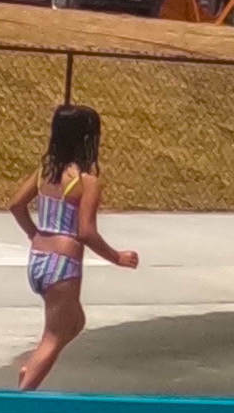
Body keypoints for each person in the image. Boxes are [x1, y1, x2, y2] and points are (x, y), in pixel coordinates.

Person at [7, 104, 139, 389]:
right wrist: (118, 257)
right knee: (55, 335)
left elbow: (16, 206)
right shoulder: (86, 182)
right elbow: (86, 232)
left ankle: (31, 368)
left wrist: (35, 235)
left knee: (74, 322)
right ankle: (24, 391)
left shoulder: (44, 173)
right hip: (63, 266)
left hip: (38, 260)